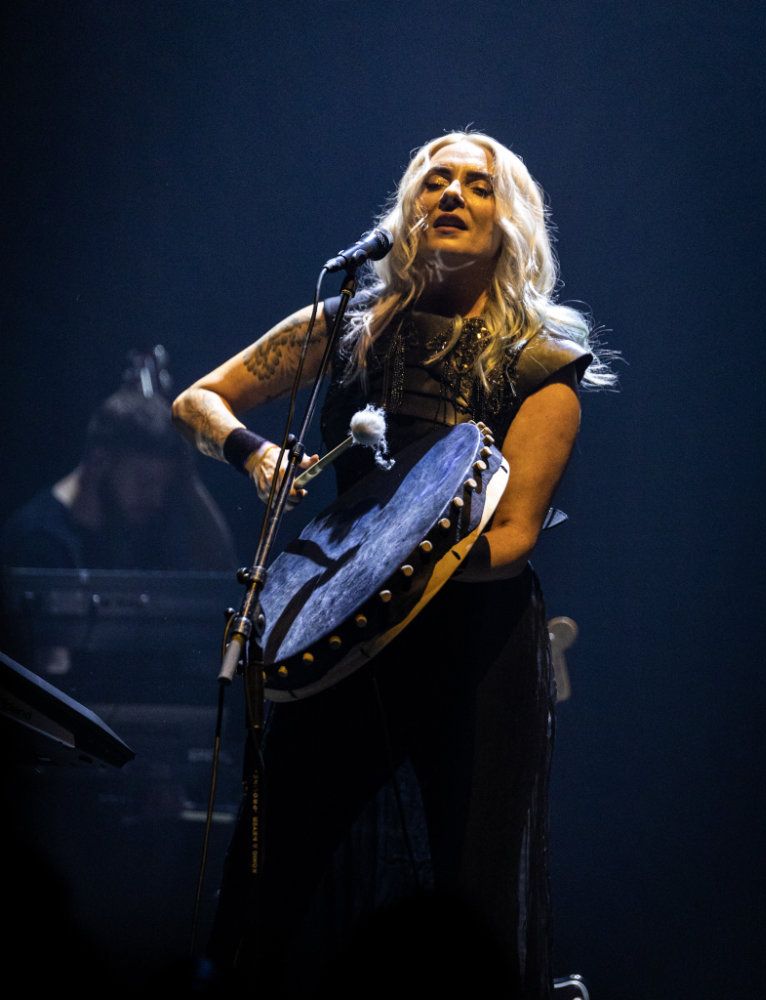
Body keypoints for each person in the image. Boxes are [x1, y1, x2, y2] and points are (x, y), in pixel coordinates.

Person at [172, 131, 615, 999]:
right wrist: (254, 453)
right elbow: (200, 399)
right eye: (434, 181)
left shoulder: (541, 362)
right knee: (273, 869)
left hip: (474, 646)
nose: (451, 195)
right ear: (407, 211)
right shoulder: (348, 330)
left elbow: (513, 534)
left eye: (476, 186)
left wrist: (390, 569)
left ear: (510, 219)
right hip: (340, 643)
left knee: (473, 877)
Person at [2, 387, 236, 676]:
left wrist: (189, 484)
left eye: (163, 486)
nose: (156, 499)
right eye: (144, 481)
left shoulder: (132, 525)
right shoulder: (39, 542)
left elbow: (223, 575)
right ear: (99, 462)